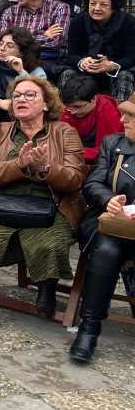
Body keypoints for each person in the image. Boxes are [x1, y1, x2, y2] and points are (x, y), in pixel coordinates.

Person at [0, 75, 85, 331]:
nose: (21, 99)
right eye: (17, 95)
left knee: (49, 241)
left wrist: (45, 168)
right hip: (4, 201)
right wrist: (19, 165)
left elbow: (75, 179)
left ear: (45, 104)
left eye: (30, 95)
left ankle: (46, 291)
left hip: (51, 203)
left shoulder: (64, 132)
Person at [73, 92, 135, 361]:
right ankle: (88, 328)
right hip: (110, 223)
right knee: (107, 249)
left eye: (131, 116)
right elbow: (92, 184)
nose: (122, 120)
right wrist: (109, 200)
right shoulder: (113, 144)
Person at [63, 0, 135, 99]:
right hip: (87, 70)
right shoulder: (78, 22)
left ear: (114, 7)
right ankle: (67, 114)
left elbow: (131, 57)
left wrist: (112, 65)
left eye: (103, 4)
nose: (96, 8)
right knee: (67, 74)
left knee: (125, 76)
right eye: (93, 3)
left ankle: (121, 115)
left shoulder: (129, 23)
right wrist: (83, 61)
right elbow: (71, 55)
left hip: (117, 69)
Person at [0, 0, 70, 74]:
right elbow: (1, 40)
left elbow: (55, 42)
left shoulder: (60, 8)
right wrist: (43, 35)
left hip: (47, 60)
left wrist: (18, 42)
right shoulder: (10, 12)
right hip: (13, 59)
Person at [61, 74, 122, 164]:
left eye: (77, 107)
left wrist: (73, 153)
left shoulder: (109, 113)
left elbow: (107, 151)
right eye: (69, 107)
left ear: (94, 99)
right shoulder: (67, 109)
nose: (72, 112)